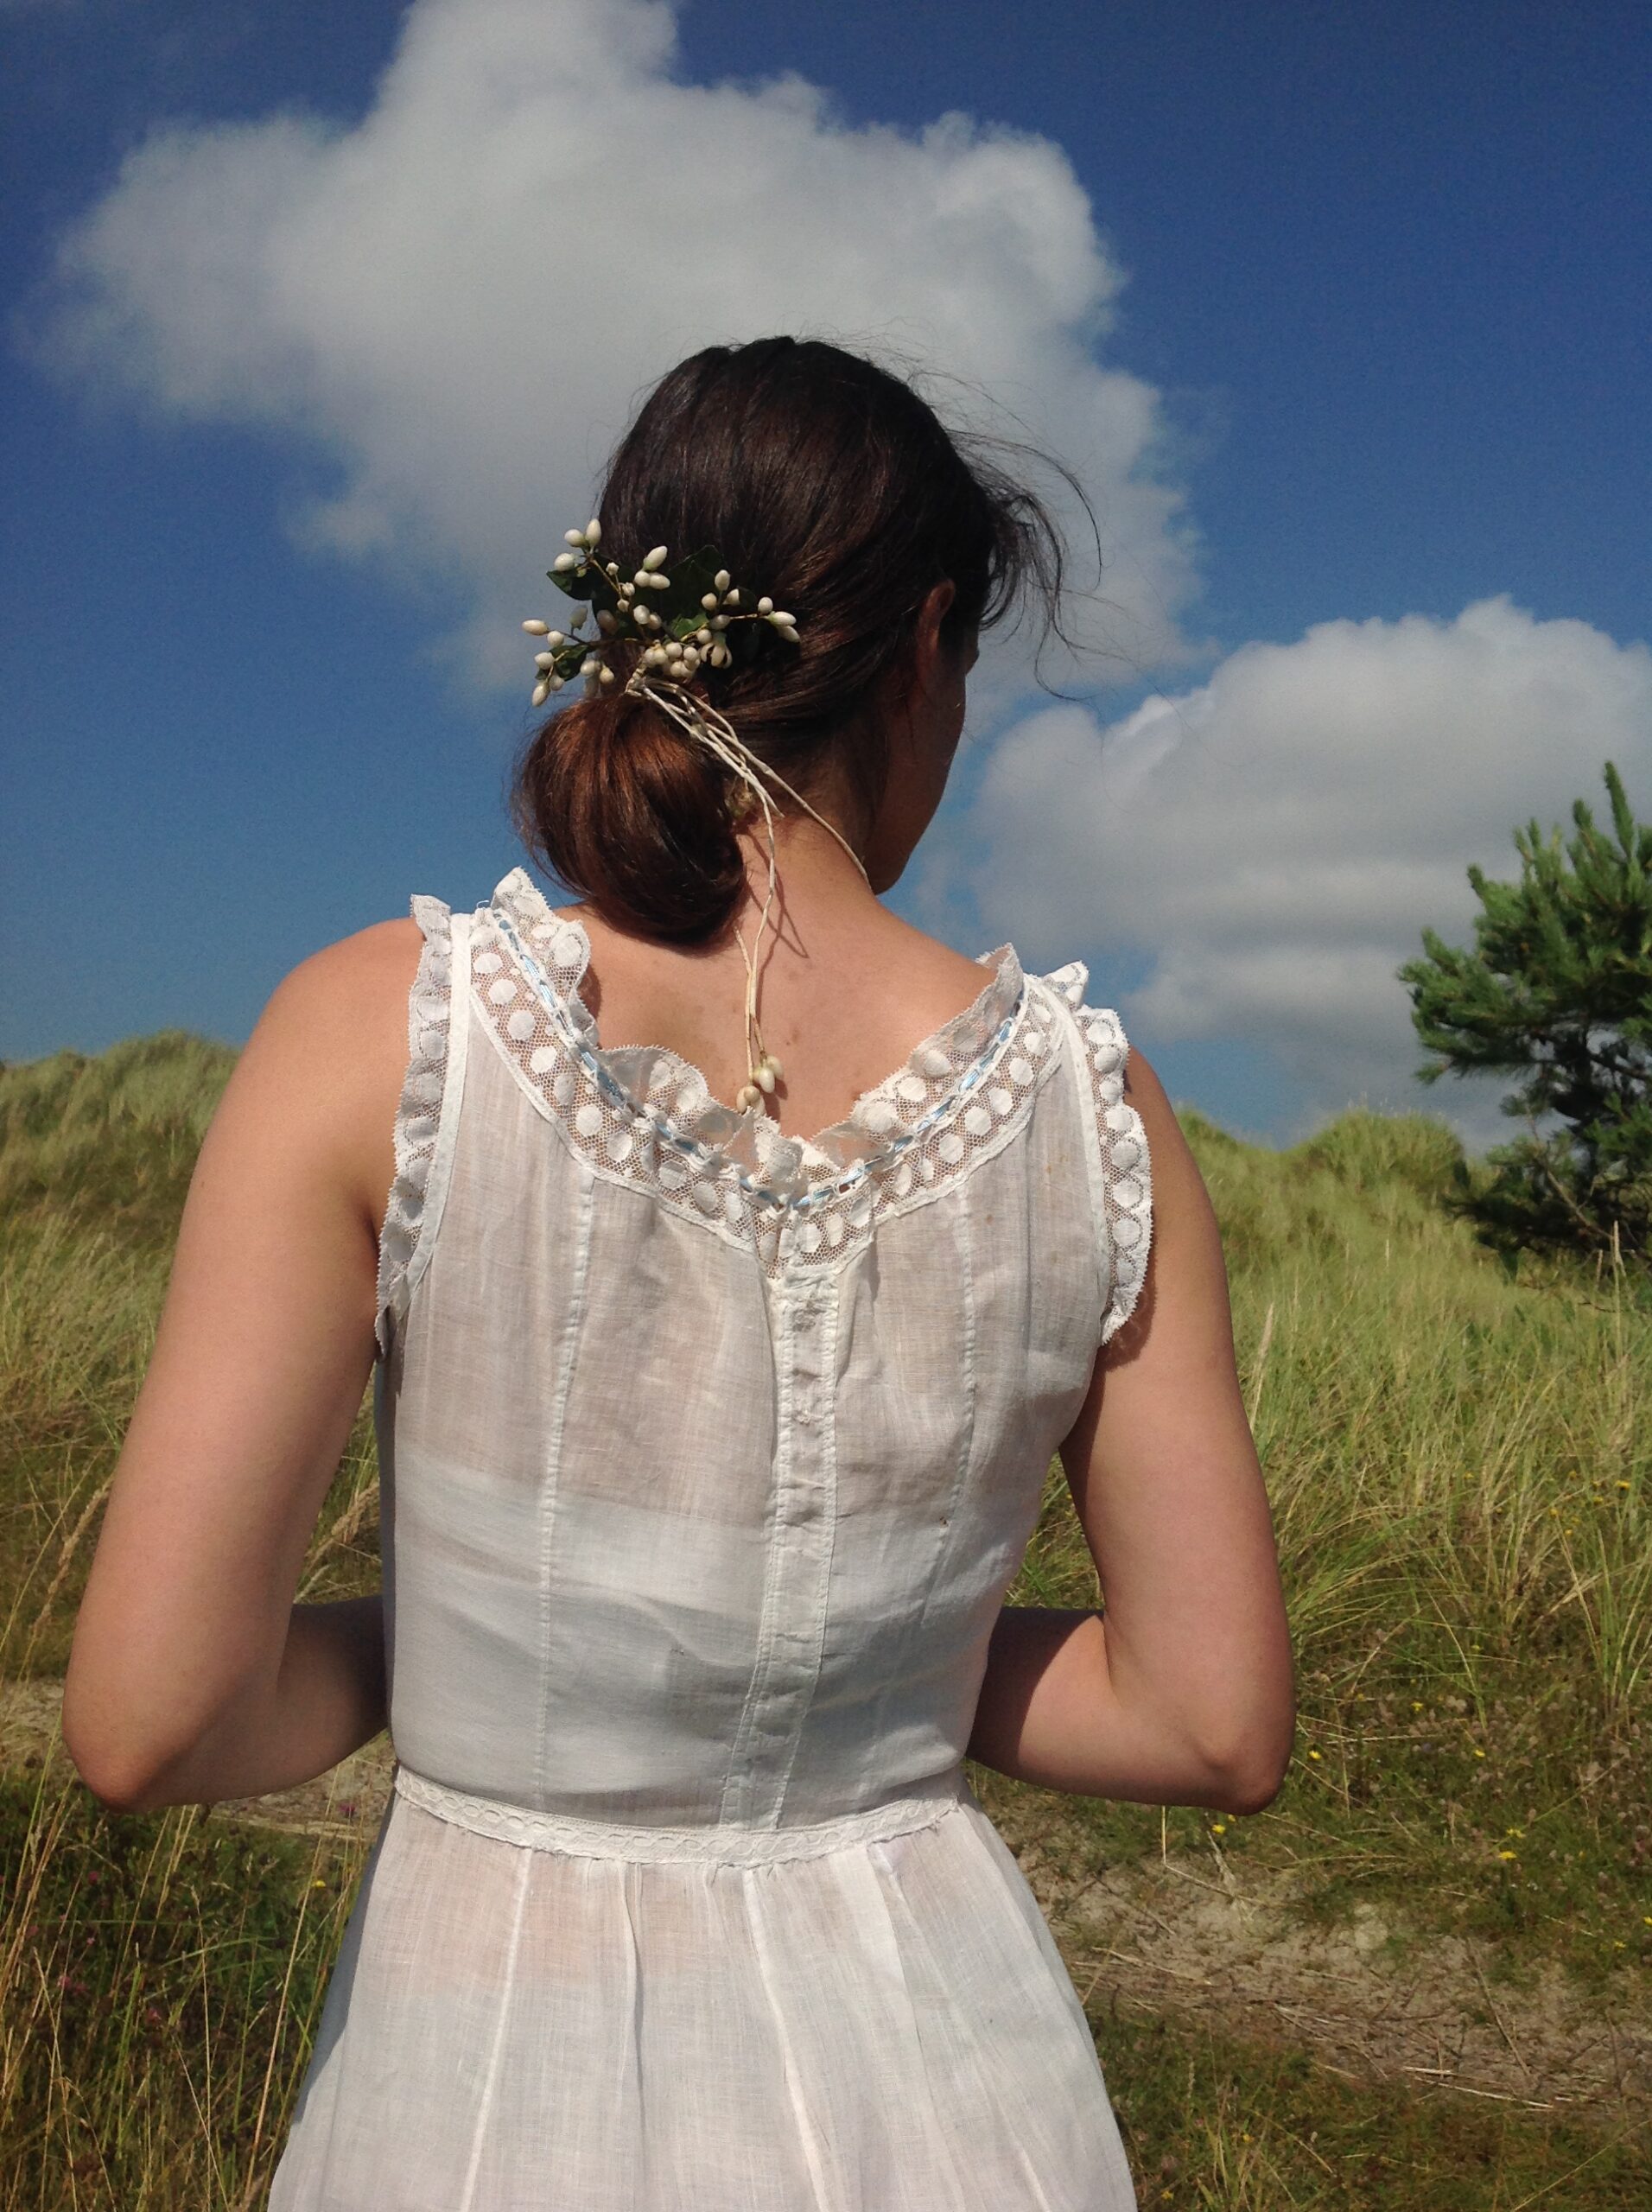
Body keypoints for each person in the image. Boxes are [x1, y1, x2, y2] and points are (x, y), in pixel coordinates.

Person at [61, 334, 1294, 2209]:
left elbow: (154, 1721)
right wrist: (865, 1662)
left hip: (487, 2097)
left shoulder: (382, 1035)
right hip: (953, 2093)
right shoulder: (1089, 1105)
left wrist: (489, 1640)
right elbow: (1207, 1720)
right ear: (926, 645)